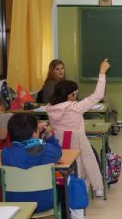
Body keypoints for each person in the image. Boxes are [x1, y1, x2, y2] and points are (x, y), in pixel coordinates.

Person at [46, 58, 109, 197]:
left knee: (84, 157)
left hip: (59, 146)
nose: (76, 96)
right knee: (89, 158)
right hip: (78, 143)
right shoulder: (76, 108)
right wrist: (102, 72)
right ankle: (97, 188)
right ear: (70, 95)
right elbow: (98, 95)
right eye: (74, 94)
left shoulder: (50, 109)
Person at [1, 113, 62, 211]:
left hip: (15, 203)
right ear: (34, 133)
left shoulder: (5, 153)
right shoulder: (47, 150)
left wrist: (36, 133)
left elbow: (21, 148)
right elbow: (58, 152)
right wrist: (48, 135)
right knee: (63, 188)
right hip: (45, 202)